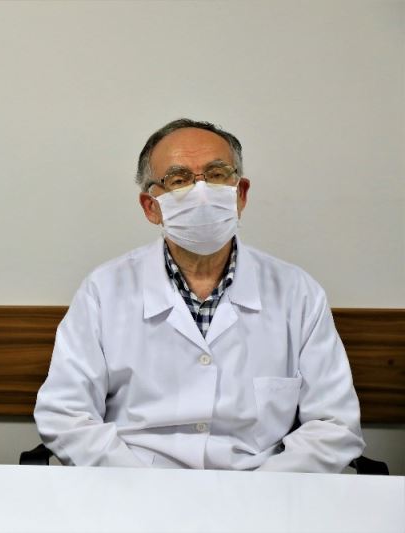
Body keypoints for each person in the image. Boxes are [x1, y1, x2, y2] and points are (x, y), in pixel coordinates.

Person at [34, 118, 364, 472]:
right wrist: (140, 488)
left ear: (240, 194)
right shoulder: (103, 291)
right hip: (135, 484)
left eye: (217, 174)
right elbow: (65, 415)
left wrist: (264, 492)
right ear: (151, 207)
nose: (201, 192)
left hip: (260, 488)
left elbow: (333, 425)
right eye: (179, 180)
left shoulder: (298, 293)